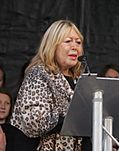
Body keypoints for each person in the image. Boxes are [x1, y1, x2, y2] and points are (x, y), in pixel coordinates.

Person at [9, 20, 91, 150]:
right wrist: (70, 117)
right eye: (68, 41)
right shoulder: (39, 74)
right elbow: (34, 122)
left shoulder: (82, 79)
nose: (75, 47)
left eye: (78, 42)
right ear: (53, 45)